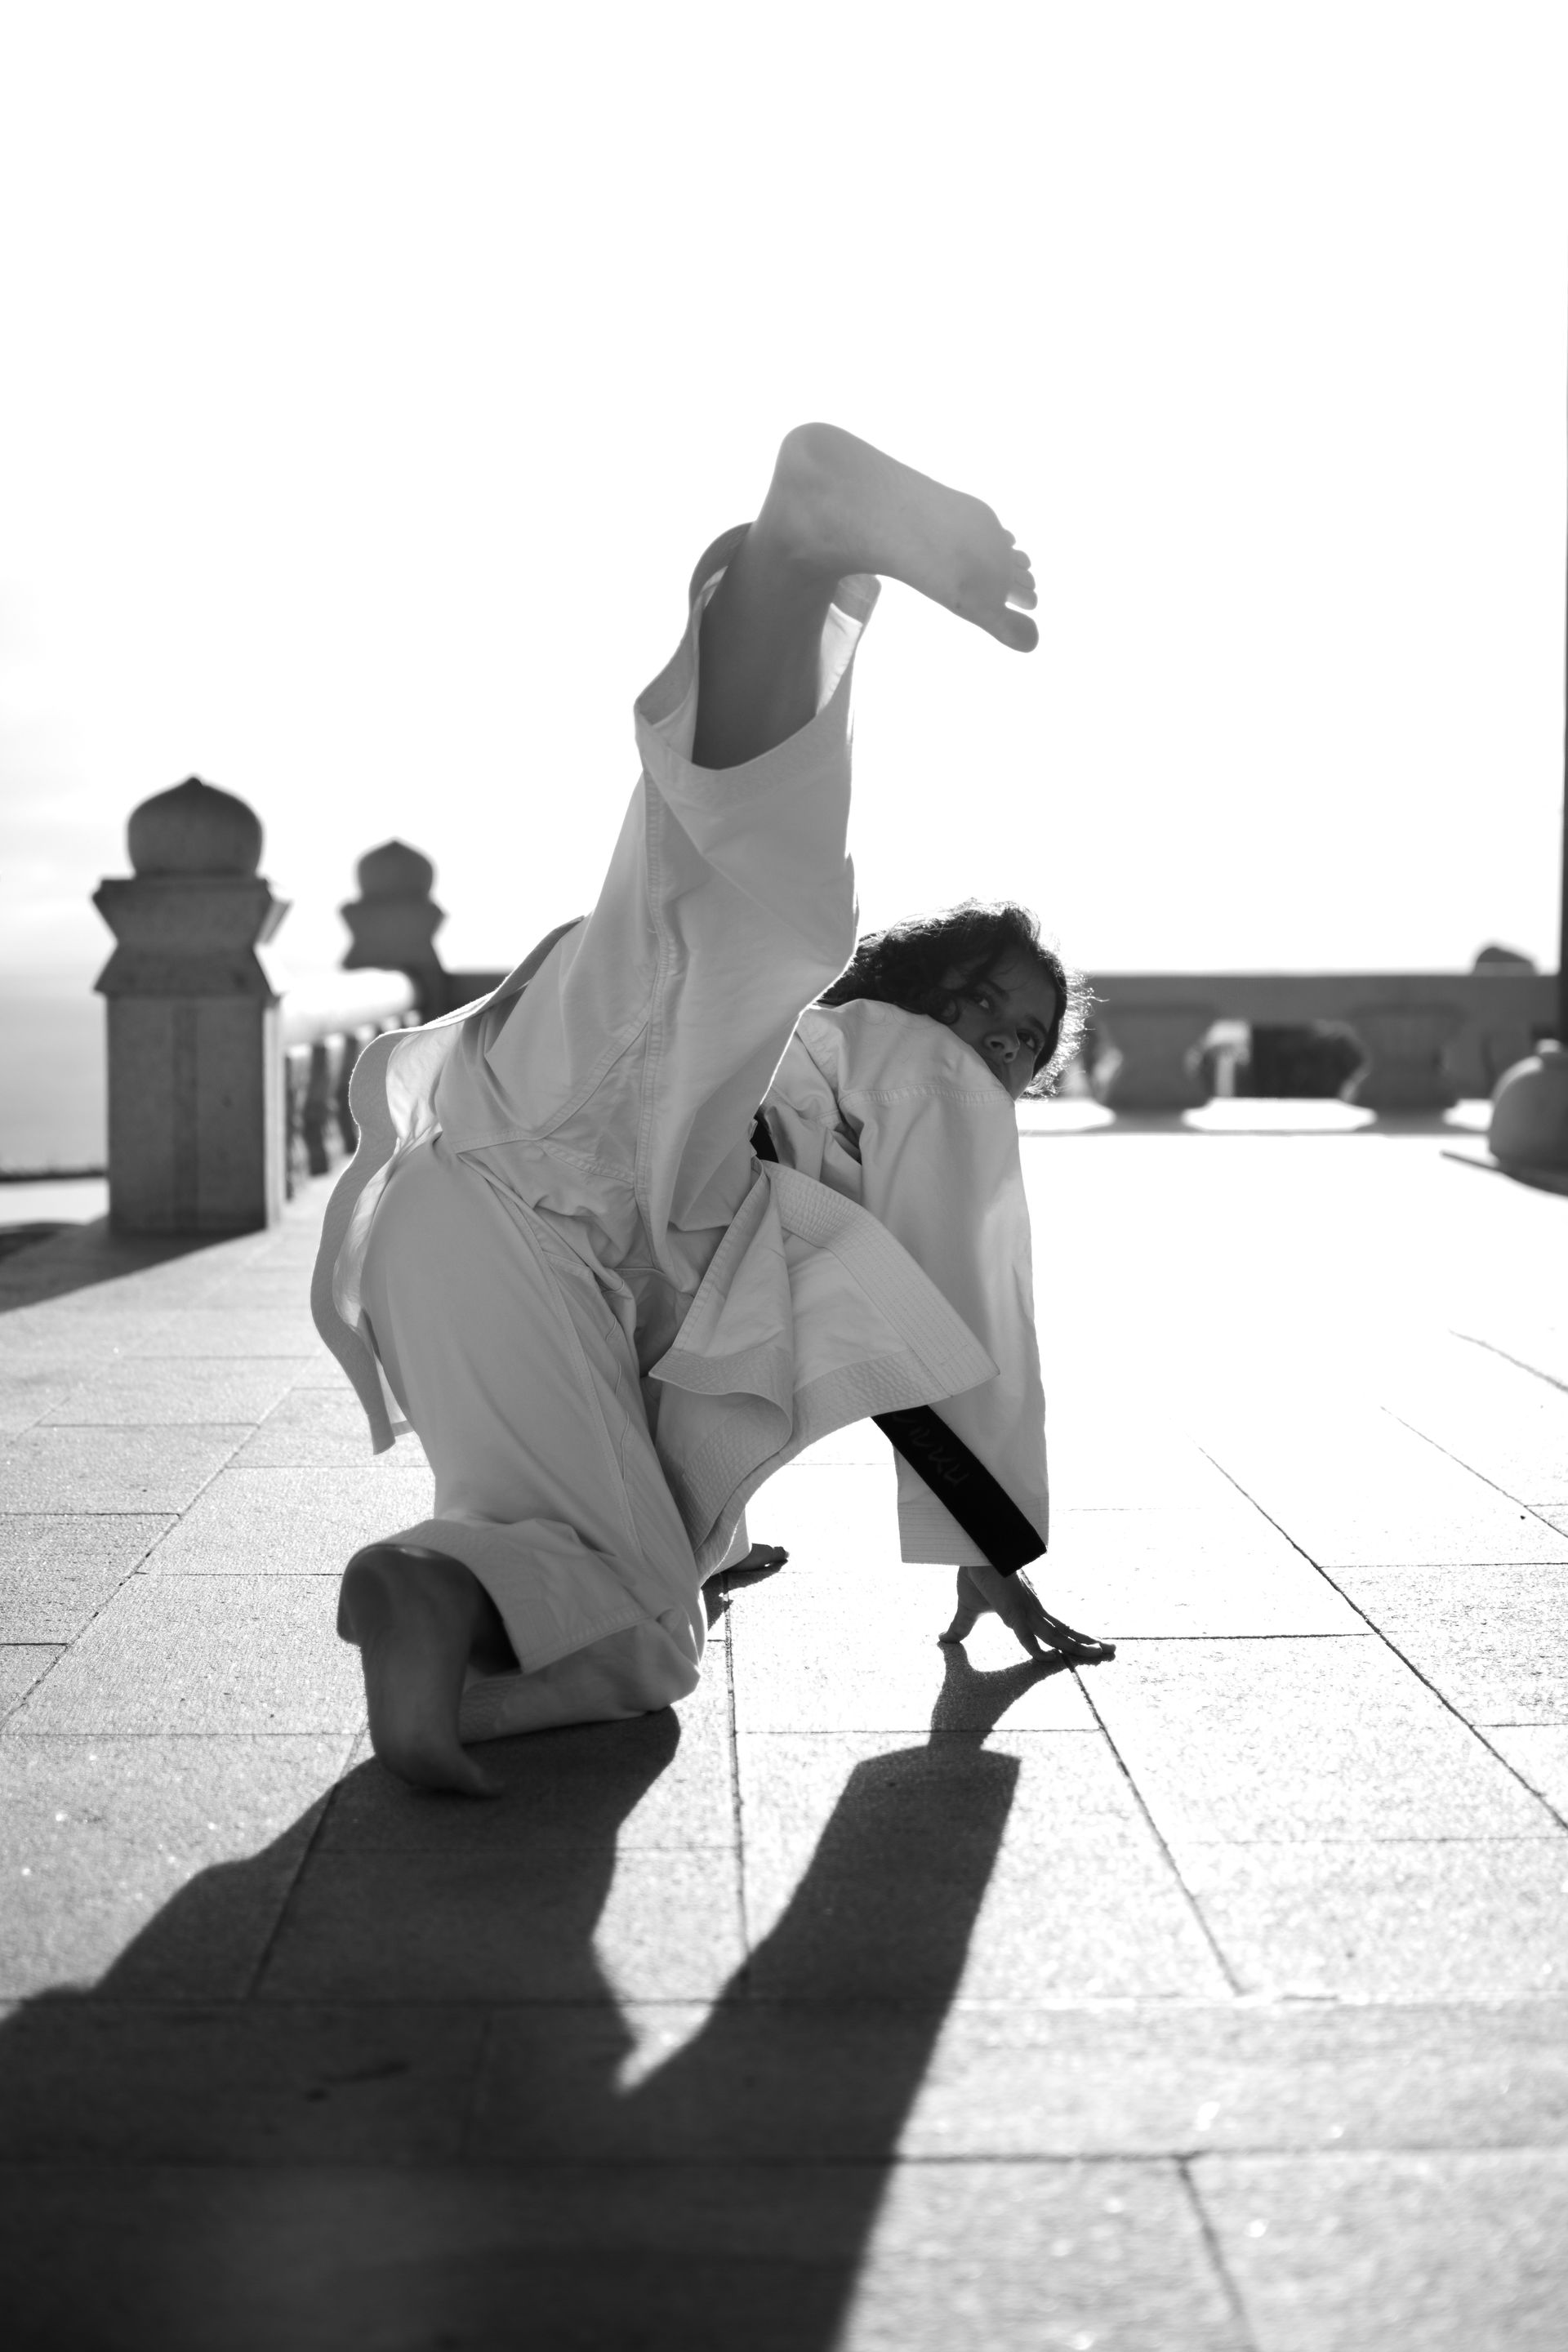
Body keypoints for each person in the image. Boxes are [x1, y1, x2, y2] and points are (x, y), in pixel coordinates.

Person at [312, 423, 1110, 1797]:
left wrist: (732, 1534)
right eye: (984, 1001)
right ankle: (795, 555)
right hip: (554, 1164)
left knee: (641, 1622)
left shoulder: (838, 1099)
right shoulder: (892, 1062)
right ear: (927, 987)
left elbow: (862, 1342)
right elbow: (980, 1312)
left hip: (470, 1238)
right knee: (746, 915)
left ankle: (440, 1600)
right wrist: (992, 1544)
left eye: (1025, 1039)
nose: (996, 1041)